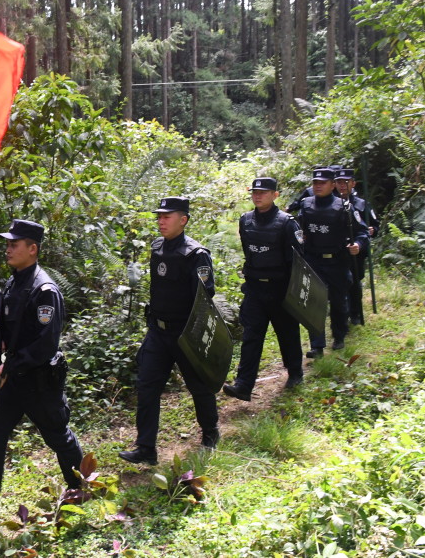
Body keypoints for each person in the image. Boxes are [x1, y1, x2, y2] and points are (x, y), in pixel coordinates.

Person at [0, 219, 83, 517]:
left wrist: (11, 365)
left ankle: (81, 487)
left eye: (14, 244)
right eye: (7, 244)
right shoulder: (14, 282)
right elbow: (7, 324)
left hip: (38, 380)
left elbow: (45, 344)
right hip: (12, 379)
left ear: (32, 249)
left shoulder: (44, 290)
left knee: (57, 435)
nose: (8, 249)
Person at [119, 198, 219, 466]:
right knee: (147, 387)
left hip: (184, 333)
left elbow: (205, 296)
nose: (161, 221)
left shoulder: (196, 254)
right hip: (158, 332)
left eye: (167, 217)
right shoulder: (157, 248)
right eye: (159, 216)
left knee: (198, 385)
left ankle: (210, 432)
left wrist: (194, 335)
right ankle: (145, 448)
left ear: (183, 220)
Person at [223, 178, 305, 402]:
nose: (257, 196)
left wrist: (293, 293)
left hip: (281, 289)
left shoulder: (287, 223)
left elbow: (297, 261)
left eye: (263, 192)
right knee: (251, 336)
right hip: (255, 289)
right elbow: (248, 251)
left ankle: (295, 372)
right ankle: (243, 385)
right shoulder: (245, 220)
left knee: (287, 333)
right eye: (255, 192)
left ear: (275, 195)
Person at [296, 168, 369, 358]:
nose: (318, 186)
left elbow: (362, 232)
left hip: (337, 261)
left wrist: (358, 245)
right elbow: (299, 229)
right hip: (313, 260)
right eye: (315, 183)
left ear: (333, 185)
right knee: (314, 302)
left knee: (338, 301)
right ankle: (317, 346)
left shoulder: (344, 207)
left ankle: (339, 336)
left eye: (323, 183)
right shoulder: (306, 205)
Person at [335, 167, 380, 325]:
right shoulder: (332, 204)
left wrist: (372, 230)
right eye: (339, 182)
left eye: (346, 182)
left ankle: (355, 313)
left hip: (356, 251)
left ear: (353, 183)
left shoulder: (362, 204)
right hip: (338, 250)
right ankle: (342, 312)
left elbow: (375, 225)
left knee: (354, 282)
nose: (342, 185)